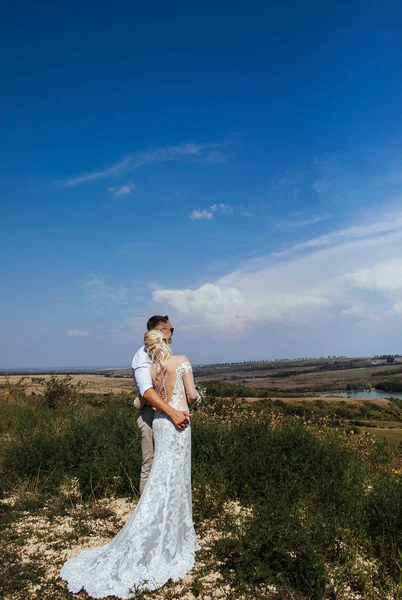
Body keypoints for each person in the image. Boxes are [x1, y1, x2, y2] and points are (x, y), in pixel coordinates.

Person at [59, 329, 200, 598]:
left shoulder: (153, 370)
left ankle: (163, 526)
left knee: (161, 475)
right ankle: (175, 535)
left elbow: (142, 400)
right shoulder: (182, 360)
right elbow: (191, 395)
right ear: (167, 341)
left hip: (160, 423)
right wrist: (196, 400)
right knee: (177, 477)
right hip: (179, 425)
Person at [132, 315, 191, 494]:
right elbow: (147, 392)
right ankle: (144, 512)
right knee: (150, 463)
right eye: (171, 330)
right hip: (150, 414)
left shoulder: (163, 354)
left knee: (166, 463)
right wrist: (173, 412)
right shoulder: (142, 356)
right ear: (162, 331)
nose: (172, 334)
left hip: (163, 415)